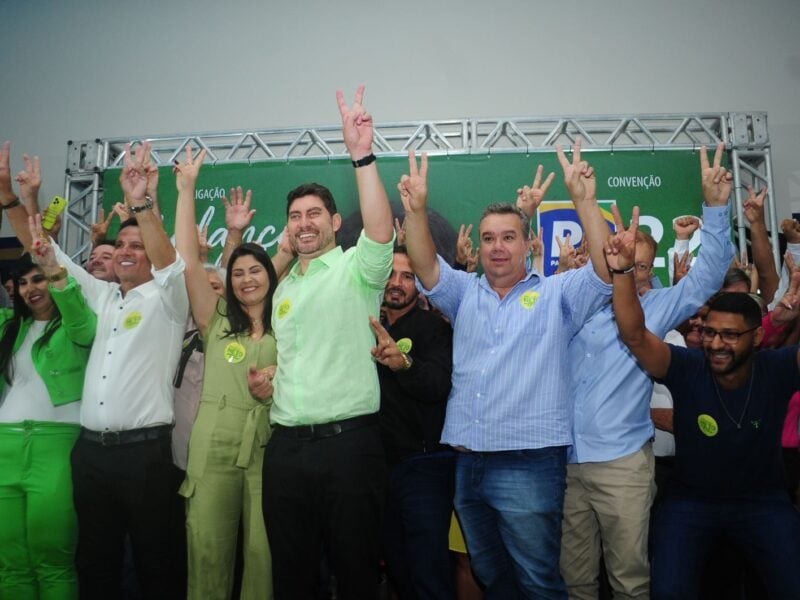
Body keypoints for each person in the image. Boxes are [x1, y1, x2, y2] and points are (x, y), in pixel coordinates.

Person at [401, 138, 614, 599]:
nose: (498, 247)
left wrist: (585, 201)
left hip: (529, 462)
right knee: (492, 576)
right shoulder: (464, 293)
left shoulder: (559, 295)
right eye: (489, 238)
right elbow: (423, 262)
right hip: (468, 459)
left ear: (527, 242)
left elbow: (604, 268)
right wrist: (416, 210)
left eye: (508, 237)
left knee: (538, 582)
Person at [3, 142, 191, 599]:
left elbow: (170, 262)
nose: (127, 252)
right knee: (95, 566)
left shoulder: (169, 300)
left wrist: (143, 202)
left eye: (137, 245)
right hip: (90, 458)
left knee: (156, 566)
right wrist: (8, 197)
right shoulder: (99, 295)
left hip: (145, 458)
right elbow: (42, 251)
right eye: (120, 245)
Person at [560, 143, 735, 599]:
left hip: (621, 463)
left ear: (650, 267)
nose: (630, 271)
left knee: (630, 580)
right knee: (573, 581)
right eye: (621, 259)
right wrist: (584, 202)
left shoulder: (657, 308)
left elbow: (709, 276)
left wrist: (716, 210)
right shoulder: (573, 302)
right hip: (564, 461)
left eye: (639, 265)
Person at [607, 207, 800, 600]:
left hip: (763, 502)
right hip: (691, 503)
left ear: (757, 338)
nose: (715, 343)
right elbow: (634, 335)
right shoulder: (687, 366)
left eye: (730, 336)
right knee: (669, 590)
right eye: (710, 332)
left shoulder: (776, 369)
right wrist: (624, 274)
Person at [261, 85, 395, 600]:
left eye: (314, 214)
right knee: (292, 578)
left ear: (336, 223)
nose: (304, 223)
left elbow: (381, 230)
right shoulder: (283, 288)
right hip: (287, 450)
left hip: (349, 449)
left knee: (356, 572)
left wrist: (361, 154)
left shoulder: (357, 270)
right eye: (295, 216)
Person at [174, 145, 278, 599]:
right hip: (211, 445)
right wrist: (186, 189)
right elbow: (188, 262)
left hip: (267, 448)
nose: (247, 279)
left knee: (263, 556)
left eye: (257, 271)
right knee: (207, 550)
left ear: (272, 278)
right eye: (238, 273)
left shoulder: (288, 322)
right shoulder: (214, 321)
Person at [0, 215, 96, 599]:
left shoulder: (77, 323)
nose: (29, 288)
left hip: (56, 448)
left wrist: (54, 268)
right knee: (10, 564)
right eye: (22, 282)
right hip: (5, 449)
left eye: (37, 279)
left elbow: (82, 324)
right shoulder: (9, 326)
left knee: (52, 559)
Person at [370, 247, 454, 599]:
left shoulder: (434, 328)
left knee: (428, 570)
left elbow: (437, 385)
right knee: (397, 567)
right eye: (392, 274)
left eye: (408, 276)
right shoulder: (364, 323)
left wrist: (404, 364)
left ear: (420, 285)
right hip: (375, 468)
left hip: (424, 466)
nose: (398, 283)